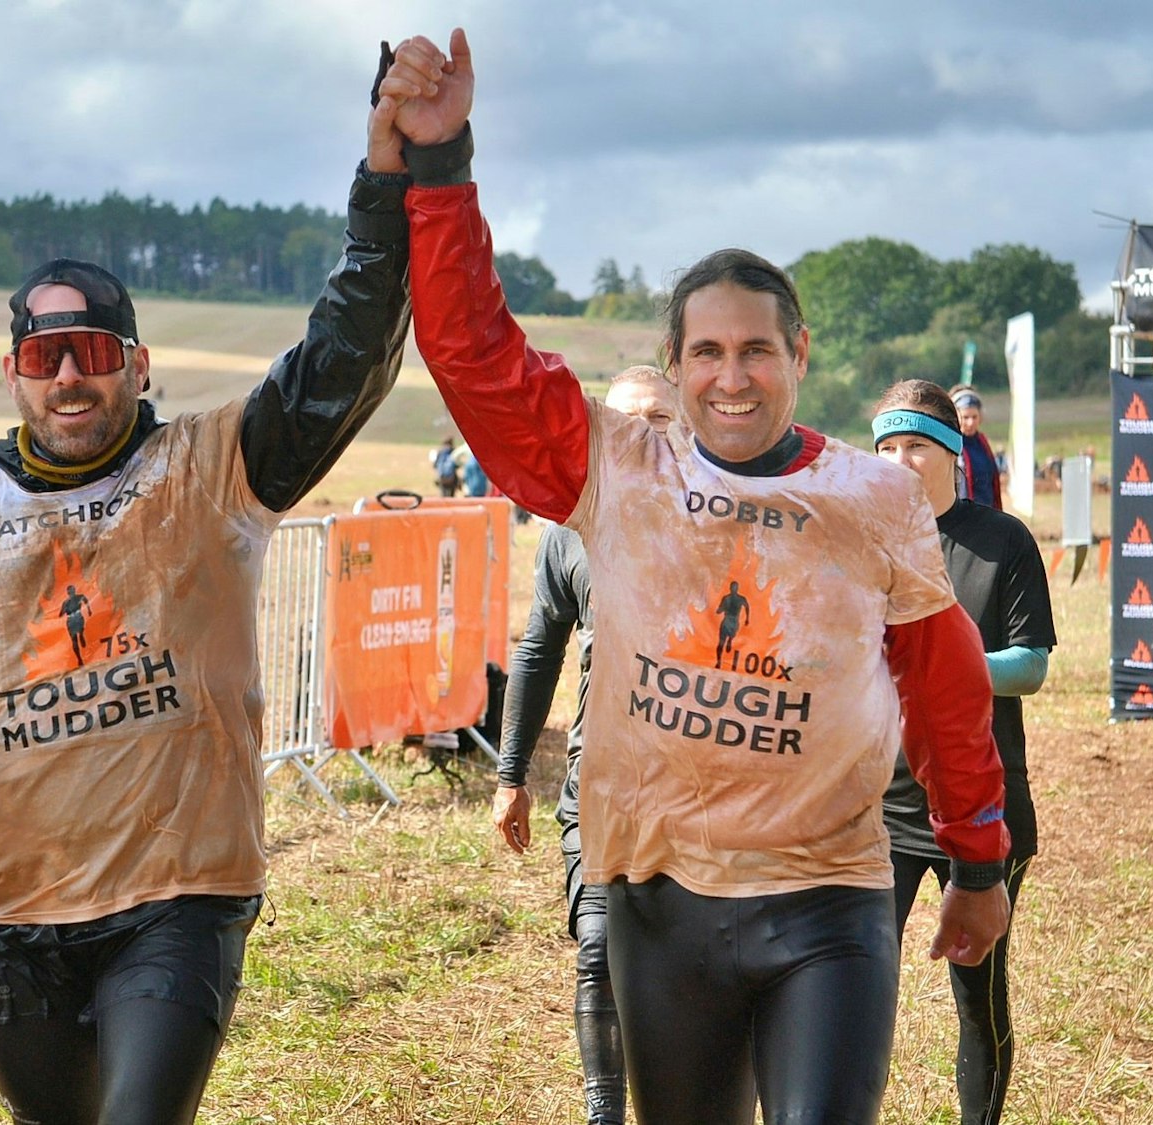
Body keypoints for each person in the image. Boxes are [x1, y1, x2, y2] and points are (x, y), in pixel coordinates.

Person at [0, 68, 416, 1124]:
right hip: (16, 910)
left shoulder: (211, 467)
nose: (69, 379)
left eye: (92, 355)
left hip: (179, 897)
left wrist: (388, 177)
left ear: (136, 365)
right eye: (46, 358)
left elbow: (347, 356)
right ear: (14, 373)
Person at [379, 31, 1009, 1124]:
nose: (731, 375)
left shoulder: (873, 497)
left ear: (798, 354)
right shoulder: (615, 470)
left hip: (826, 898)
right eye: (706, 352)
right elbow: (475, 353)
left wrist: (976, 856)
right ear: (673, 366)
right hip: (659, 901)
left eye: (755, 349)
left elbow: (943, 680)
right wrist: (441, 172)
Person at [494, 365, 676, 1125]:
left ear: (687, 425)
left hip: (706, 790)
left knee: (682, 971)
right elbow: (539, 651)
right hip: (598, 785)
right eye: (628, 419)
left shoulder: (728, 515)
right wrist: (510, 772)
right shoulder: (568, 529)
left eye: (660, 418)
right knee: (598, 952)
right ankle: (604, 1110)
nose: (643, 432)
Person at [872, 380, 1055, 1125]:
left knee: (975, 996)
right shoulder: (868, 538)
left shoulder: (1002, 540)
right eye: (885, 446)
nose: (899, 459)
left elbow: (1032, 666)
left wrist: (942, 663)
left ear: (952, 450)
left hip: (983, 803)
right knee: (852, 985)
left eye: (915, 444)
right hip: (881, 802)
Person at [949, 387, 1002, 509]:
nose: (970, 423)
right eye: (966, 417)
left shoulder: (983, 443)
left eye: (974, 417)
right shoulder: (951, 446)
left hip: (988, 512)